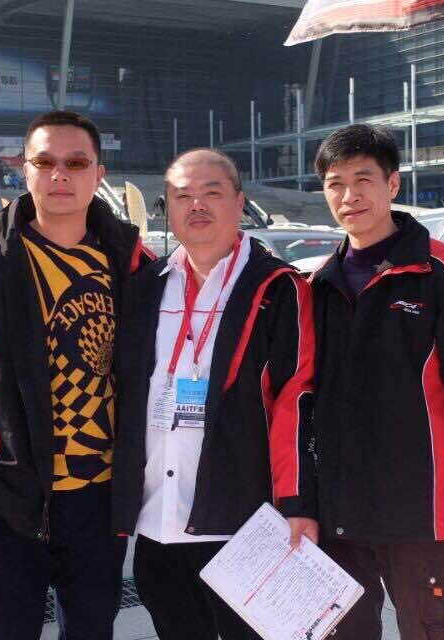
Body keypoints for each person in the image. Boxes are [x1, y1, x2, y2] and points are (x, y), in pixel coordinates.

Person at [0, 110, 154, 639]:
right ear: (23, 170)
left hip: (100, 503)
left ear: (99, 174)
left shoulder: (135, 264)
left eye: (76, 163)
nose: (59, 174)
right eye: (44, 162)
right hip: (4, 500)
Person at [309, 124, 444, 640]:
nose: (350, 195)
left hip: (422, 515)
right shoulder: (318, 284)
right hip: (339, 513)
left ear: (393, 184)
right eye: (336, 184)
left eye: (364, 179)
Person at [111, 148, 317, 640]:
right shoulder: (146, 287)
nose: (197, 205)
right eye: (183, 195)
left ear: (240, 203)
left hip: (243, 524)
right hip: (158, 523)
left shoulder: (277, 289)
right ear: (168, 207)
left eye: (212, 192)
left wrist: (299, 502)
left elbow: (297, 400)